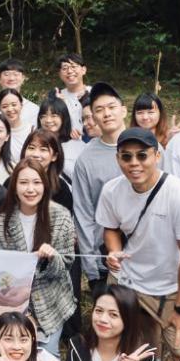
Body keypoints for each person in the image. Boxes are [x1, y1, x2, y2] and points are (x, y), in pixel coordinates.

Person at [98, 126, 180, 355]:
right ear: (118, 159)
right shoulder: (111, 191)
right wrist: (114, 251)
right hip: (129, 282)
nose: (134, 163)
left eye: (142, 155)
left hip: (170, 288)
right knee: (135, 353)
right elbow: (111, 228)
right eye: (126, 157)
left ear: (157, 156)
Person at [0, 160, 80, 355]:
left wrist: (51, 258)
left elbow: (66, 265)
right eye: (23, 183)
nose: (30, 189)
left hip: (52, 302)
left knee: (47, 358)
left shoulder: (60, 216)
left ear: (45, 185)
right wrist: (19, 288)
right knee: (17, 357)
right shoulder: (1, 222)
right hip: (16, 304)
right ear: (14, 186)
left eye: (37, 182)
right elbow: (1, 268)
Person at [70, 84, 127, 296]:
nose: (106, 113)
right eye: (99, 109)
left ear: (123, 110)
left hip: (147, 260)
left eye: (111, 107)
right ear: (92, 116)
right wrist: (92, 264)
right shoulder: (86, 159)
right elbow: (84, 213)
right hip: (105, 260)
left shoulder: (148, 148)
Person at [34, 96, 84, 174]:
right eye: (43, 116)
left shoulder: (76, 145)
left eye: (54, 116)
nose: (48, 120)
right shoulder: (34, 144)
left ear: (63, 117)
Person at [52, 53, 93, 137]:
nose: (70, 71)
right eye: (64, 68)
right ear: (59, 74)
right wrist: (58, 105)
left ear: (83, 70)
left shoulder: (95, 92)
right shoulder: (57, 96)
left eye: (73, 67)